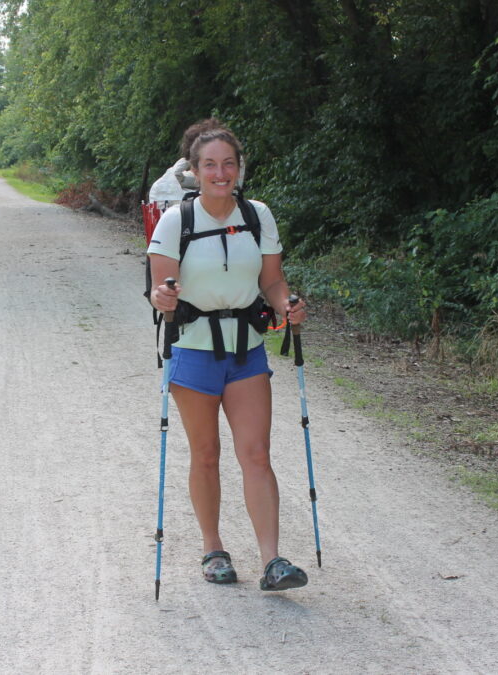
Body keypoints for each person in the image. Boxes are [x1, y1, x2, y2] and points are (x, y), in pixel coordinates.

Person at [147, 119, 309, 591]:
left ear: (239, 168)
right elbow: (161, 287)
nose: (221, 173)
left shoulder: (258, 215)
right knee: (206, 454)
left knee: (256, 454)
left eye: (229, 164)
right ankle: (213, 548)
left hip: (246, 350)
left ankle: (272, 561)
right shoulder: (178, 219)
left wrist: (287, 305)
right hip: (193, 352)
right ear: (195, 171)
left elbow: (272, 282)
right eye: (210, 165)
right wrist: (164, 299)